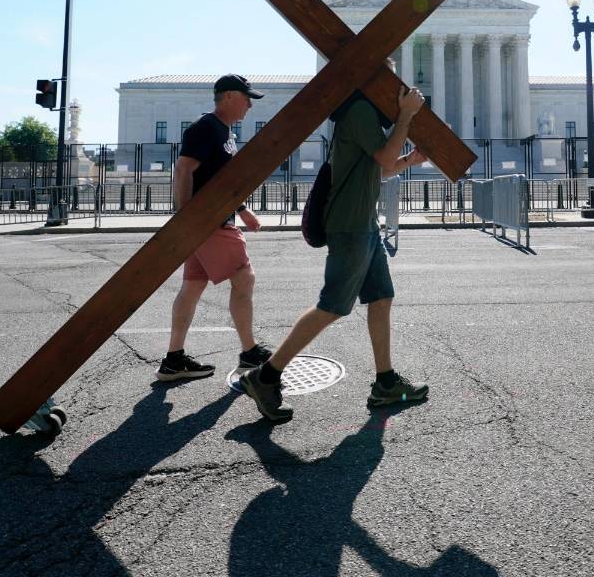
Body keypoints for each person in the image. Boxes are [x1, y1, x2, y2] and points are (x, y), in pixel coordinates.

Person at [242, 83, 430, 422]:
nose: (396, 88)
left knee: (381, 297)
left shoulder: (365, 116)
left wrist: (408, 160)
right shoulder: (359, 111)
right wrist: (406, 116)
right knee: (332, 305)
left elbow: (380, 166)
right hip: (350, 226)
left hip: (364, 224)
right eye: (389, 79)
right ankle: (265, 376)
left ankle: (385, 382)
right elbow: (383, 157)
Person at [157, 74, 271, 382]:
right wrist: (186, 217)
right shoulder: (206, 127)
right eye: (247, 98)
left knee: (192, 287)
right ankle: (249, 352)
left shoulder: (225, 132)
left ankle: (174, 359)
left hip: (209, 221)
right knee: (244, 279)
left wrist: (243, 210)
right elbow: (183, 169)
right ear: (230, 96)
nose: (250, 105)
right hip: (208, 222)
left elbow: (219, 181)